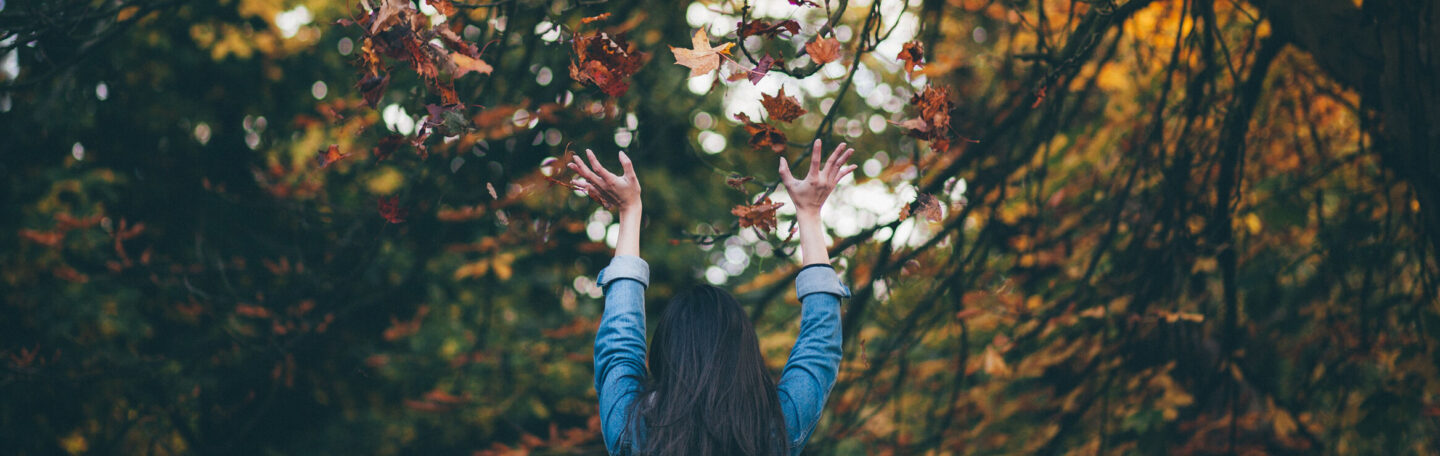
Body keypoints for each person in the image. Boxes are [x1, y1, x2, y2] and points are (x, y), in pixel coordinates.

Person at [568, 140, 858, 456]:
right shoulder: (776, 428)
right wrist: (809, 213)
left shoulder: (632, 428)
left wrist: (630, 211)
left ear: (666, 352)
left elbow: (619, 345)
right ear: (744, 353)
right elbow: (820, 345)